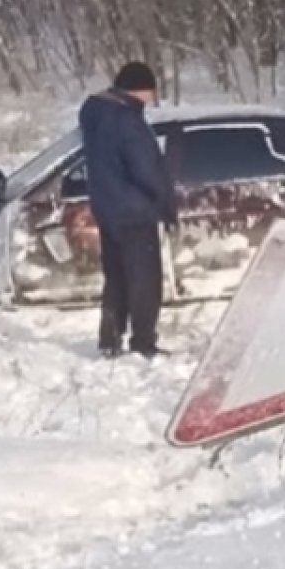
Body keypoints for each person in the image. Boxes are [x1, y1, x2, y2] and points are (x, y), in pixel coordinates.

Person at [79, 62, 177, 358]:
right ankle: (143, 342)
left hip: (107, 210)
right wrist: (165, 203)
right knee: (144, 281)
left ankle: (110, 339)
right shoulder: (127, 121)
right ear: (140, 89)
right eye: (151, 89)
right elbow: (147, 168)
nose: (152, 96)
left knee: (117, 277)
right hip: (136, 212)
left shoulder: (94, 113)